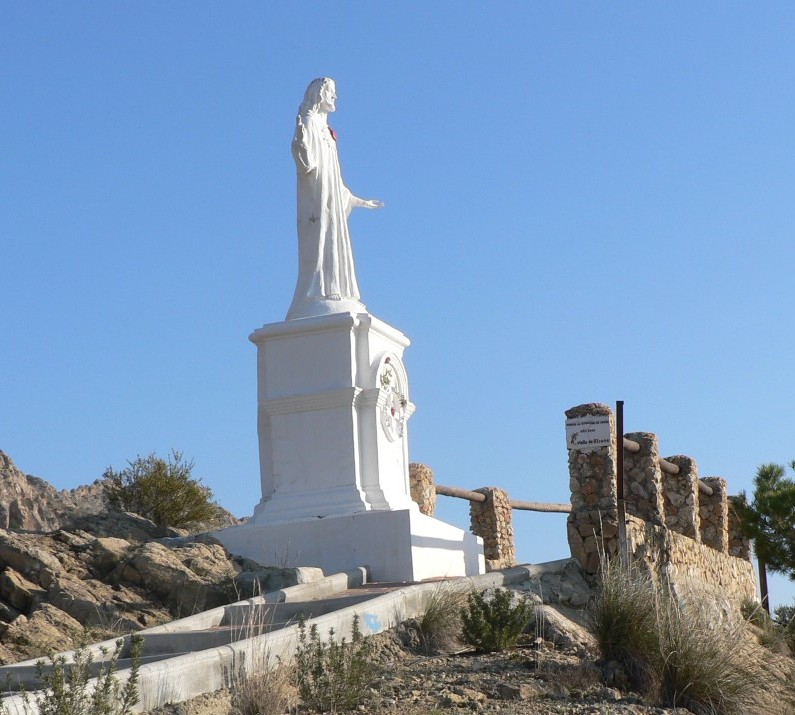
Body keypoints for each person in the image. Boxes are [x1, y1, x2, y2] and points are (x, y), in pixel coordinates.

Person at [286, 78, 383, 320]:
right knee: (320, 241)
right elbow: (306, 165)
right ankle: (318, 291)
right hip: (317, 200)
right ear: (319, 95)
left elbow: (337, 182)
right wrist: (300, 144)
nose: (334, 98)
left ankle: (335, 287)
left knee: (335, 239)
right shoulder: (308, 123)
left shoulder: (328, 134)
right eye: (331, 93)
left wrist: (359, 201)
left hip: (332, 201)